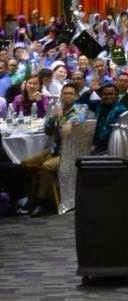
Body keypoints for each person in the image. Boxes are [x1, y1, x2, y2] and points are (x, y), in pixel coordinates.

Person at [21, 84, 88, 215]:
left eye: (70, 94)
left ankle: (41, 202)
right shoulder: (56, 108)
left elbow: (73, 125)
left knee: (46, 166)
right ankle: (28, 197)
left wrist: (63, 119)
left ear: (76, 96)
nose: (67, 96)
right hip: (54, 150)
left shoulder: (81, 108)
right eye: (65, 93)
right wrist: (53, 117)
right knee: (25, 163)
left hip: (69, 152)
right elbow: (48, 131)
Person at [81, 80, 127, 154]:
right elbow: (81, 103)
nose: (108, 97)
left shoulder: (120, 110)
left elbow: (108, 133)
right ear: (101, 95)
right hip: (95, 143)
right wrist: (90, 91)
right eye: (105, 94)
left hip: (109, 146)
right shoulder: (99, 105)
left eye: (111, 94)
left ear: (117, 95)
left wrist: (95, 146)